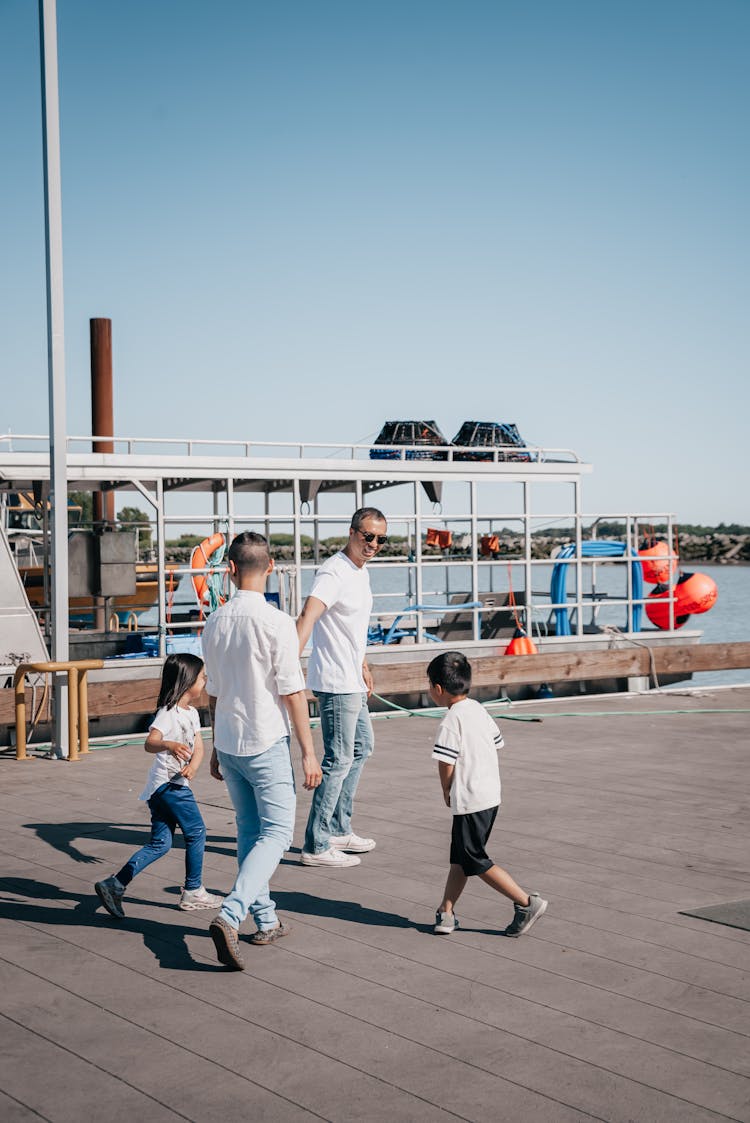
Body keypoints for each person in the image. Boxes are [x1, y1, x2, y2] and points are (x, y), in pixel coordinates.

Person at [203, 532, 322, 971]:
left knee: (249, 832)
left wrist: (214, 745)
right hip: (265, 740)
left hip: (229, 741)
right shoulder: (277, 623)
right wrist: (309, 753)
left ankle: (266, 918)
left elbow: (212, 692)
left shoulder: (214, 622)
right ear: (270, 568)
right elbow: (292, 692)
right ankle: (232, 914)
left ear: (229, 569)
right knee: (275, 834)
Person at [427, 650, 548, 937]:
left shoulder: (450, 720)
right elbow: (497, 742)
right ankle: (446, 911)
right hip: (489, 796)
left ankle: (525, 903)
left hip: (469, 799)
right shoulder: (478, 709)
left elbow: (446, 762)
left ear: (438, 689)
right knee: (461, 856)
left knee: (474, 859)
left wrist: (446, 788)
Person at [95, 653, 223, 919]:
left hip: (166, 786)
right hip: (170, 786)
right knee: (197, 831)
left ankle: (115, 884)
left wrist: (194, 766)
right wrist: (169, 744)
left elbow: (198, 745)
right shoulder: (169, 713)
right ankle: (193, 891)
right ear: (187, 681)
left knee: (161, 844)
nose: (205, 681)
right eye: (202, 677)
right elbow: (149, 743)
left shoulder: (191, 714)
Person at [297, 506, 386, 867]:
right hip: (335, 681)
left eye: (381, 539)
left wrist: (362, 664)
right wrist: (289, 664)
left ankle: (337, 826)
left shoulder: (359, 572)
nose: (374, 544)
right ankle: (316, 845)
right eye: (368, 536)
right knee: (338, 759)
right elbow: (308, 615)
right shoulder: (333, 571)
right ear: (351, 532)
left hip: (351, 676)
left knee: (363, 747)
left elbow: (351, 628)